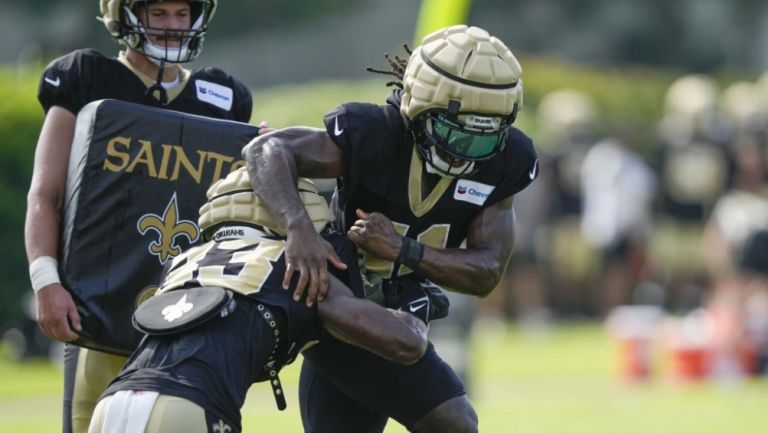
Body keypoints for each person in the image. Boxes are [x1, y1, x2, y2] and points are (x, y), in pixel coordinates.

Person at [243, 25, 538, 433]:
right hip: (339, 298)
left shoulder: (508, 163)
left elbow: (486, 272)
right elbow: (265, 148)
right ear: (417, 110)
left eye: (482, 140)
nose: (464, 153)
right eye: (454, 133)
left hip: (400, 306)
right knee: (454, 421)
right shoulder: (375, 135)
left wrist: (405, 249)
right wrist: (299, 229)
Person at [24, 2, 252, 433]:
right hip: (99, 304)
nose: (171, 26)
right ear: (123, 15)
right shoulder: (86, 78)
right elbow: (46, 192)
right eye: (158, 12)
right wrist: (46, 281)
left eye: (182, 14)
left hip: (188, 305)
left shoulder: (224, 97)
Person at [86, 168, 428, 433]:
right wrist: (411, 310)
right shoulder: (295, 264)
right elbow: (406, 343)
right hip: (190, 404)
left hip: (112, 404)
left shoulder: (184, 259)